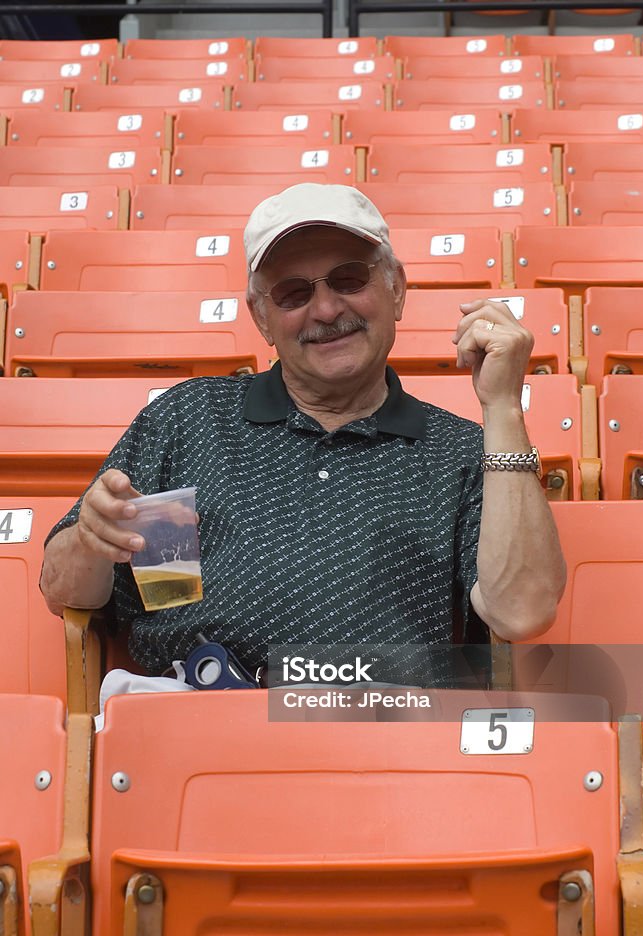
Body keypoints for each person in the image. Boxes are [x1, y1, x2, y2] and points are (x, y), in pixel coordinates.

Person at [41, 183, 566, 682]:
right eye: (293, 293)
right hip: (198, 730)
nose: (326, 309)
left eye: (349, 279)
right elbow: (69, 593)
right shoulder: (190, 419)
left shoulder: (461, 451)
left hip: (384, 734)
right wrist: (91, 543)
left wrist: (502, 410)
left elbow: (522, 613)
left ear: (397, 290)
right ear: (262, 319)